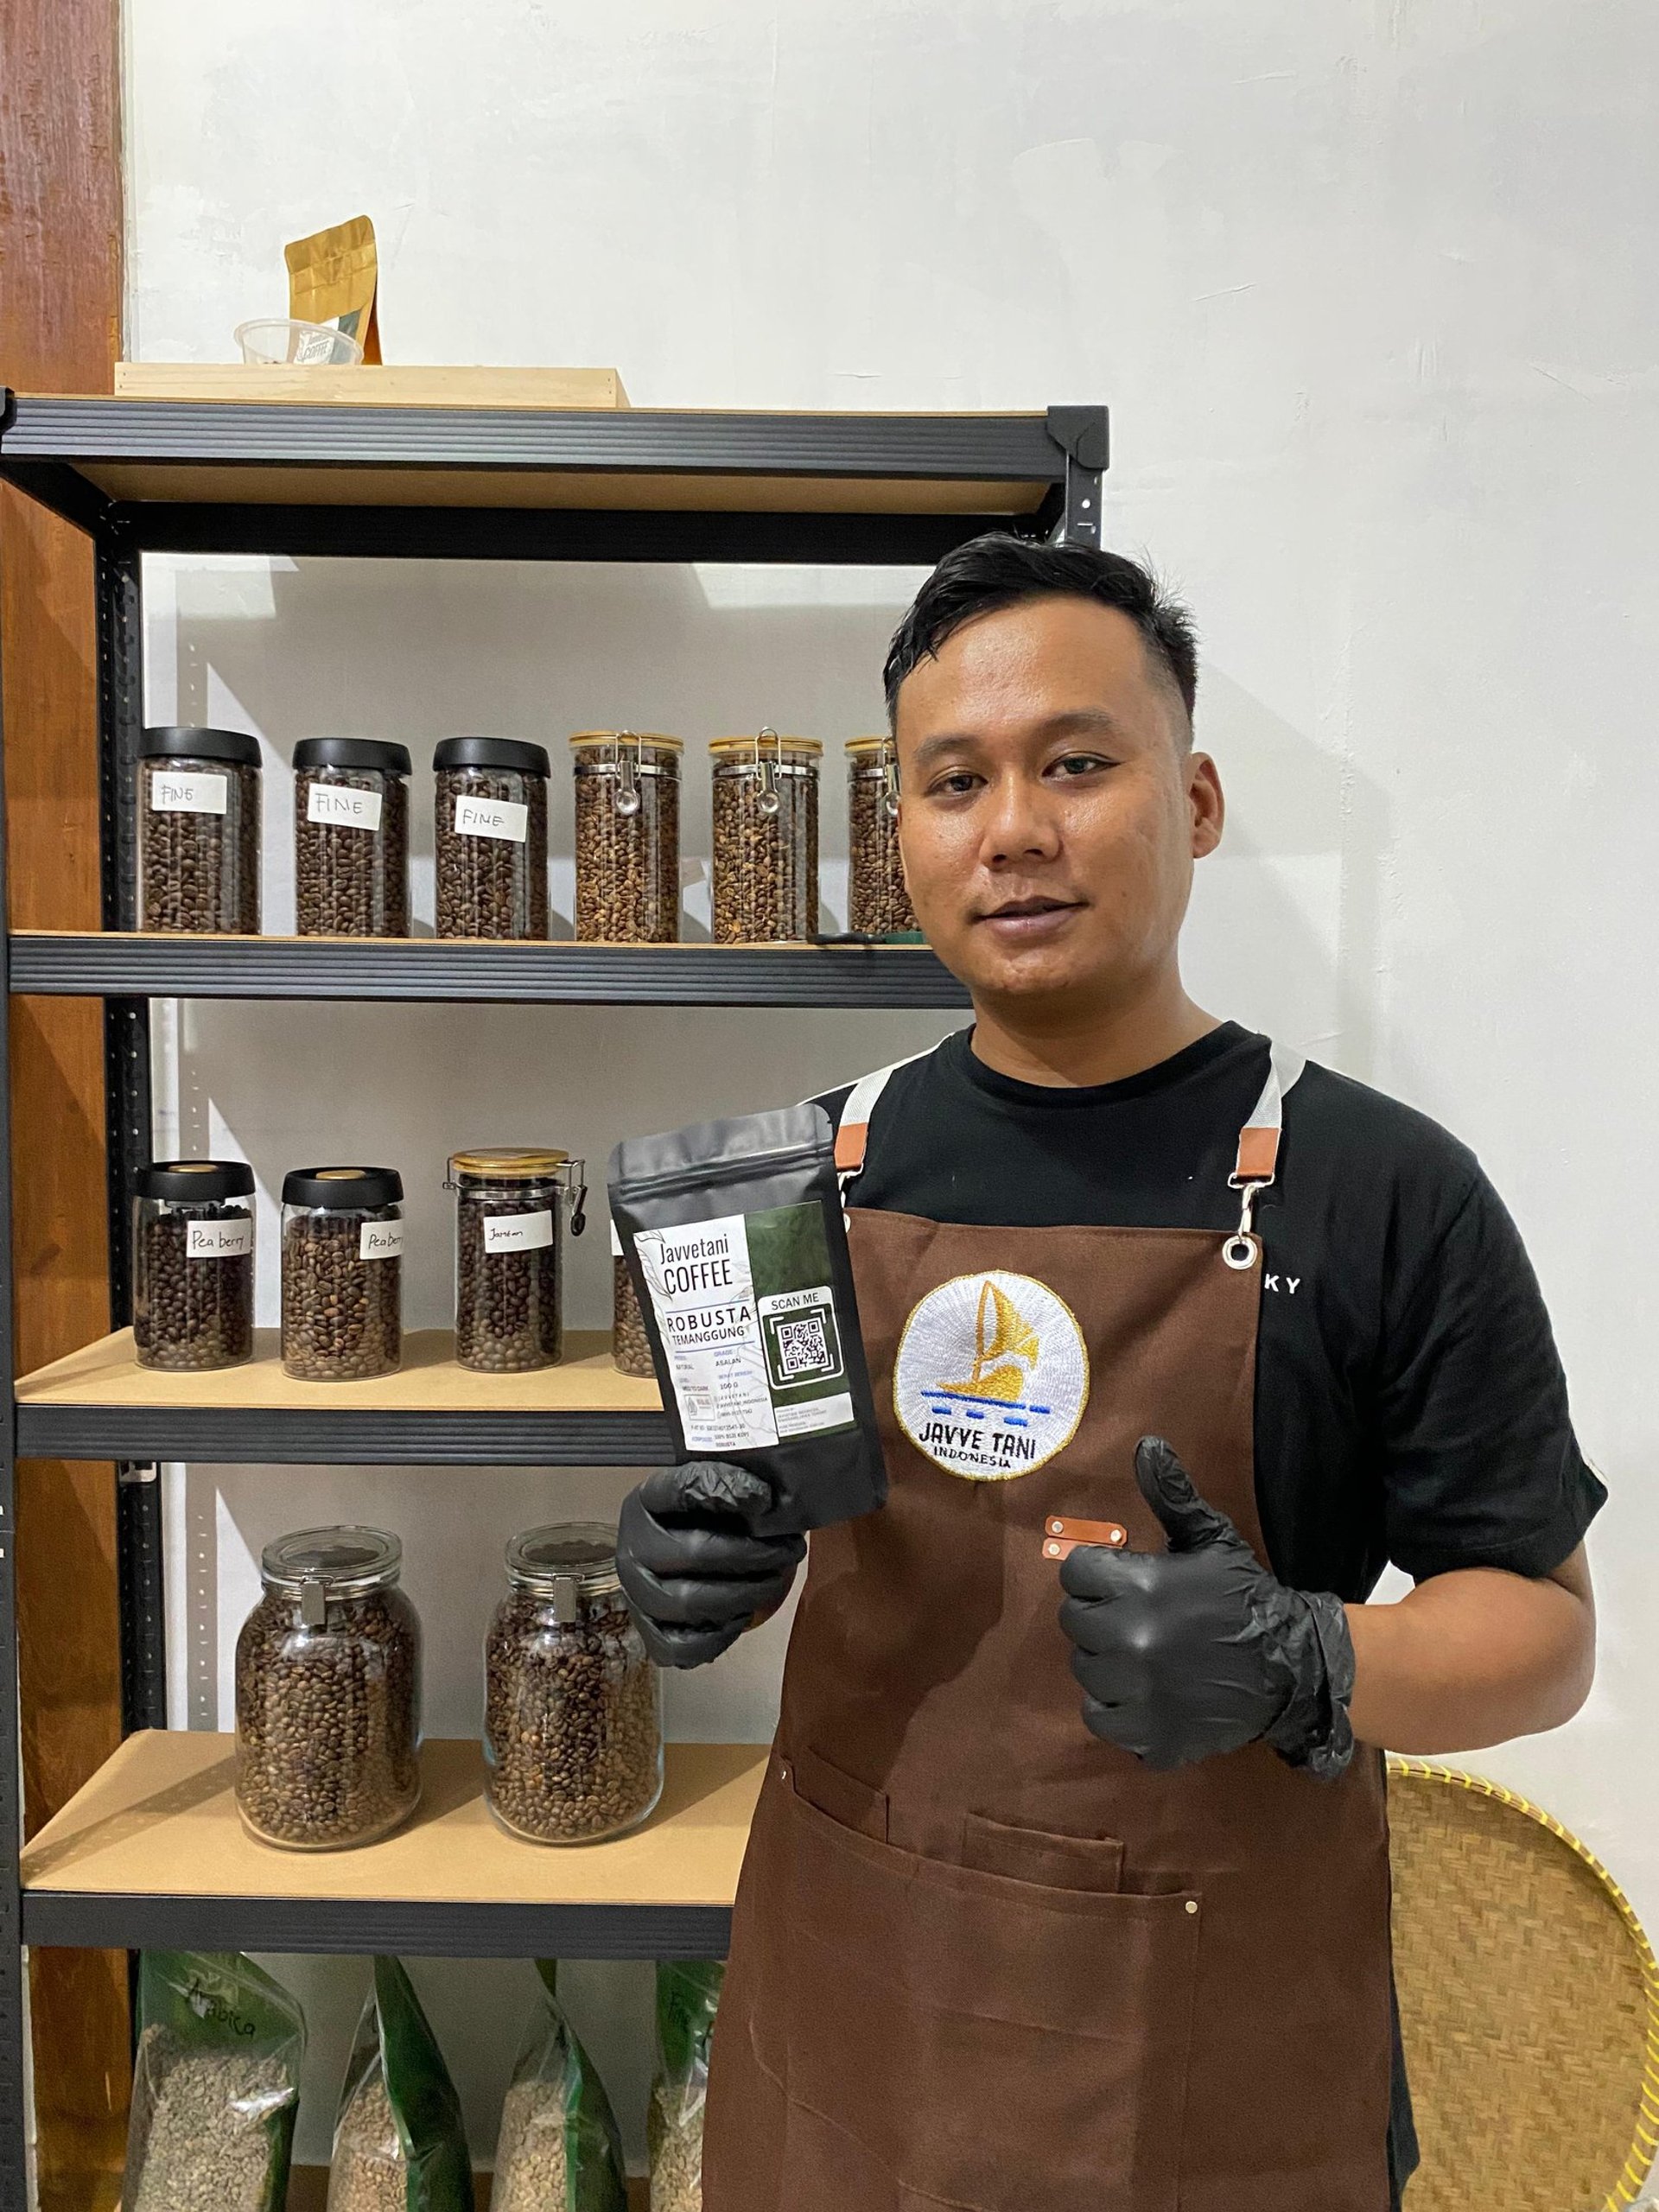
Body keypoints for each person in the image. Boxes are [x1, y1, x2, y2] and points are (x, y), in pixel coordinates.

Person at [615, 535, 1604, 2212]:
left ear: (1197, 798)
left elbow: (1545, 1629)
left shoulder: (1377, 1189)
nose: (1015, 826)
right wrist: (694, 1555)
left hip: (1207, 2059)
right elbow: (754, 1504)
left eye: (1078, 761)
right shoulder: (812, 1177)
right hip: (854, 1998)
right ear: (904, 832)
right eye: (955, 780)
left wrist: (1310, 1652)